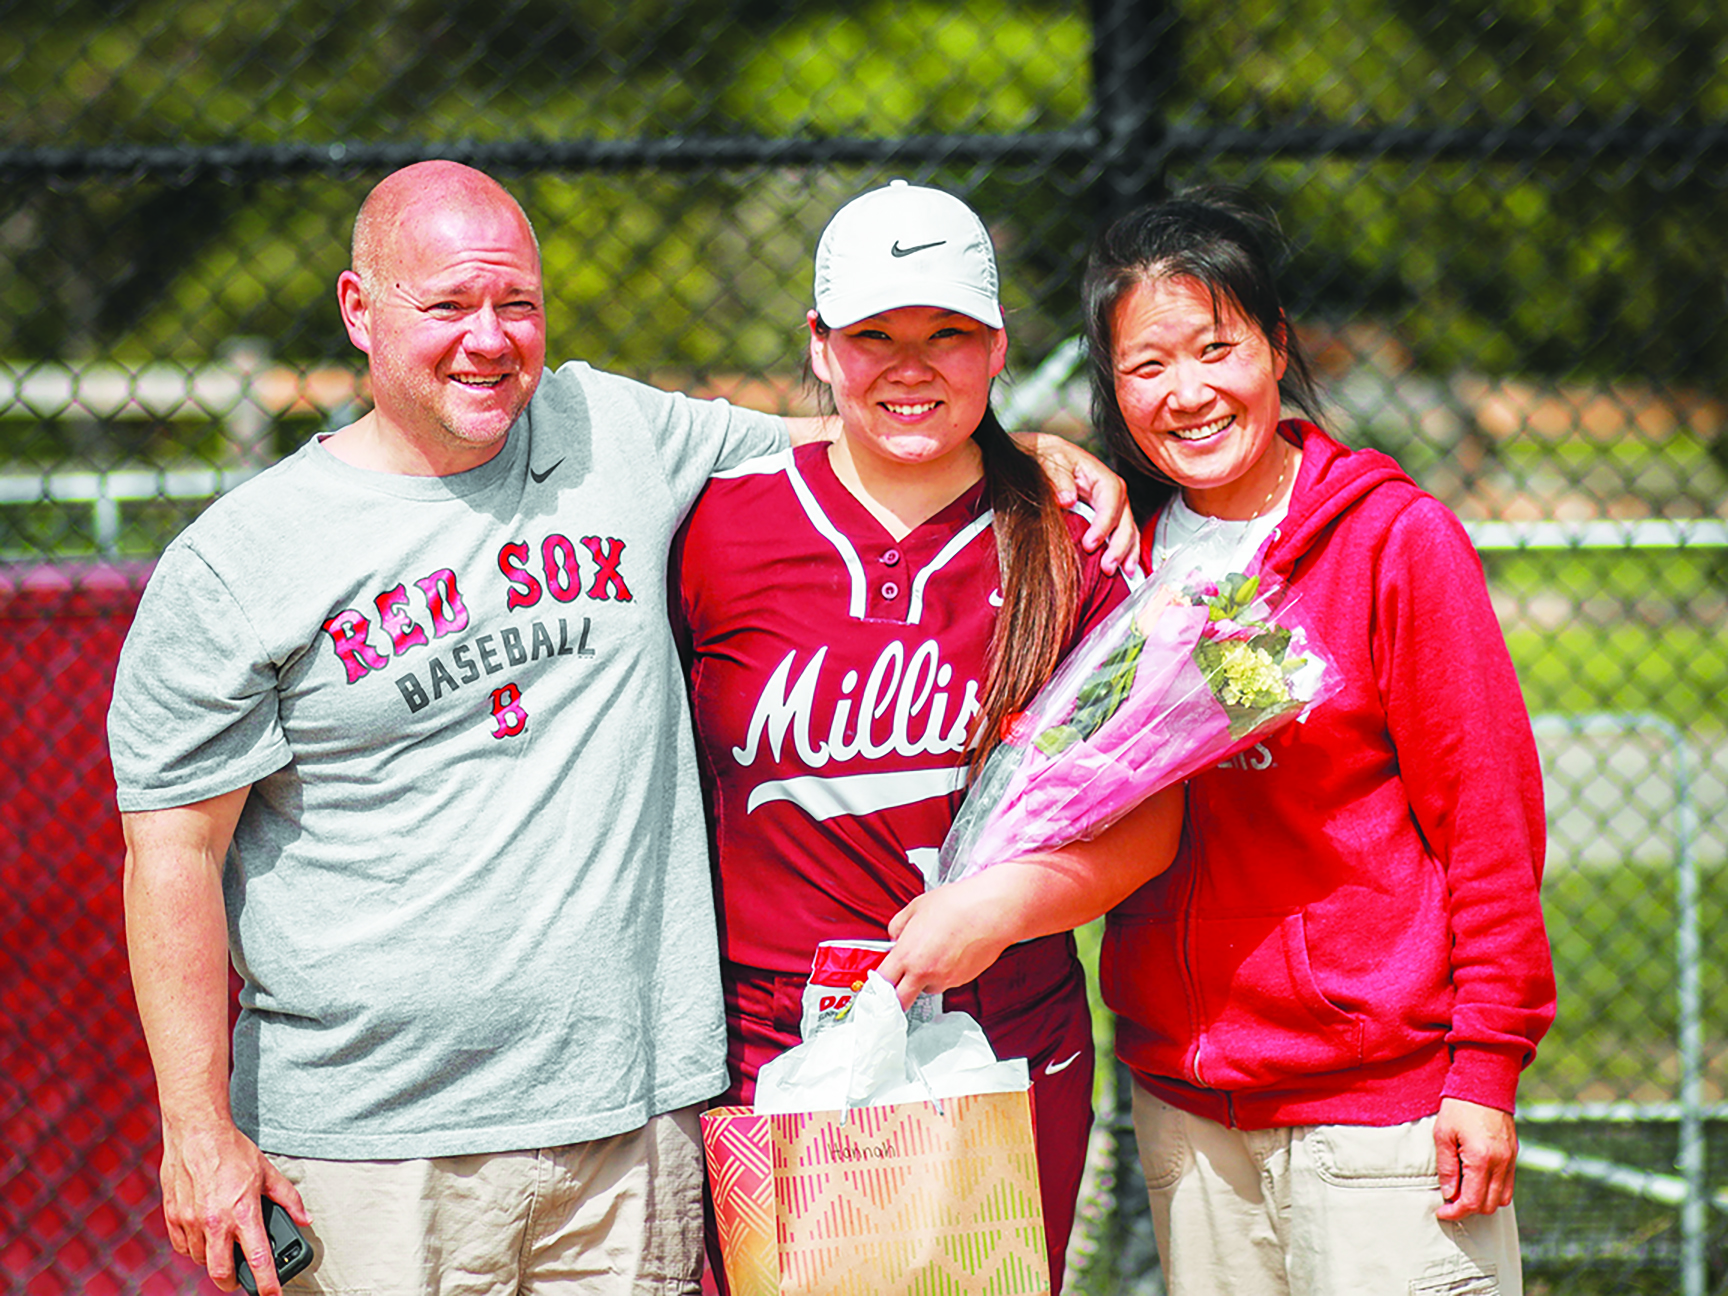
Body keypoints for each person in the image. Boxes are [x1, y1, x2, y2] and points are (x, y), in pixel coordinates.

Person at [108, 161, 1135, 1296]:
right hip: (370, 1145)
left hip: (631, 1131)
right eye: (445, 305)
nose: (487, 340)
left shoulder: (619, 436)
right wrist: (198, 1131)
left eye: (517, 305)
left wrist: (1027, 452)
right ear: (359, 309)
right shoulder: (239, 557)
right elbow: (173, 853)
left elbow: (869, 434)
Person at [673, 180, 1186, 1292]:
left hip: (1000, 1029)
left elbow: (1148, 824)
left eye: (948, 333)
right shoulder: (719, 528)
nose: (912, 365)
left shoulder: (1072, 540)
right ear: (819, 347)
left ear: (998, 345)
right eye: (874, 336)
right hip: (774, 1043)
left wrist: (997, 909)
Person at [1080, 187, 1556, 1295]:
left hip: (1381, 1115)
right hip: (1187, 1110)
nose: (1188, 393)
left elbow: (1486, 822)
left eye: (1217, 348)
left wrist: (1484, 1069)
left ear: (1277, 345)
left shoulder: (1395, 542)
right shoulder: (1119, 563)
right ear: (1113, 385)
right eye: (1148, 366)